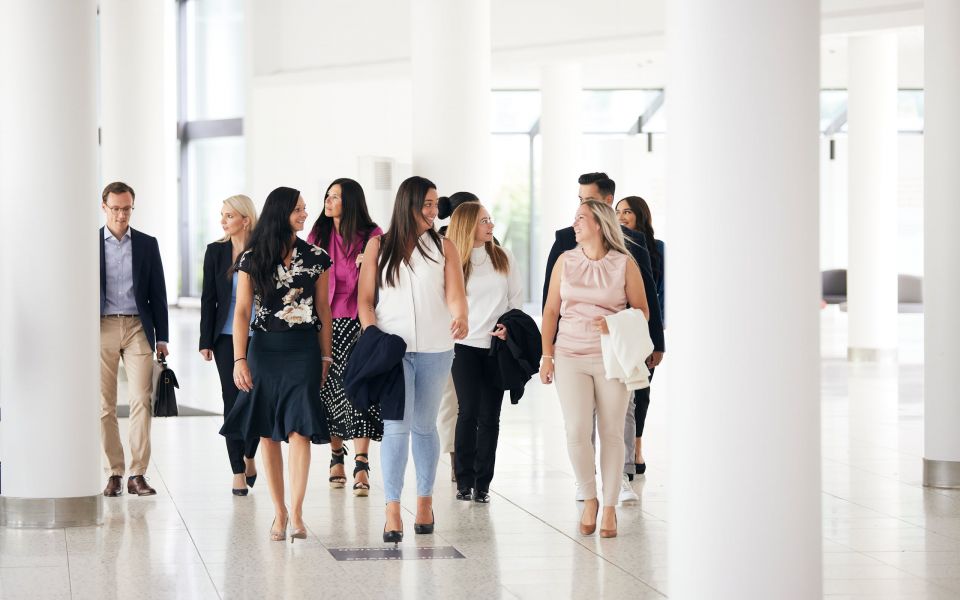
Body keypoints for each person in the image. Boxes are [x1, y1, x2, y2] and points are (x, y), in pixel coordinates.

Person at [357, 176, 468, 543]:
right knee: (396, 427)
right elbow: (365, 301)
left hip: (437, 348)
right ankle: (392, 509)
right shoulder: (379, 246)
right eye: (427, 205)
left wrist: (460, 315)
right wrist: (372, 333)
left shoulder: (444, 247)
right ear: (408, 205)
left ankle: (424, 502)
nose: (434, 211)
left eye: (436, 205)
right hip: (393, 349)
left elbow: (455, 293)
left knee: (424, 425)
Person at [541, 172, 664, 503]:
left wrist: (654, 342)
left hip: (614, 353)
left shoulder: (629, 251)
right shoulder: (565, 245)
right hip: (570, 352)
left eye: (586, 201)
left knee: (618, 421)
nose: (579, 208)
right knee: (578, 426)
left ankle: (617, 483)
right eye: (579, 200)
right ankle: (587, 485)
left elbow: (647, 300)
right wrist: (547, 352)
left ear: (603, 206)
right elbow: (550, 304)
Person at [219, 187, 333, 543]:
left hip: (303, 351)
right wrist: (239, 358)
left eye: (304, 208)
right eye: (298, 209)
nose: (304, 214)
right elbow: (241, 313)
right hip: (264, 350)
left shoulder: (317, 257)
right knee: (268, 433)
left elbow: (325, 312)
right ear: (280, 212)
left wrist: (326, 355)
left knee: (300, 430)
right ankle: (279, 511)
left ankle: (297, 513)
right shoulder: (252, 258)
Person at [307, 178, 383, 497]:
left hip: (361, 321)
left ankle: (362, 463)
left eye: (335, 197)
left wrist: (372, 264)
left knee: (360, 389)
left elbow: (388, 272)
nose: (328, 201)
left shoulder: (372, 235)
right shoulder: (318, 235)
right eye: (327, 195)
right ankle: (337, 454)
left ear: (350, 201)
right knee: (331, 390)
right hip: (326, 323)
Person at [446, 202, 523, 503]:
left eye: (491, 219)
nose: (490, 225)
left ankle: (483, 484)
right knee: (468, 412)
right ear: (467, 226)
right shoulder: (453, 261)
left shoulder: (503, 257)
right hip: (462, 346)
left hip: (496, 346)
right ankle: (463, 480)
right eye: (483, 221)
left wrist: (508, 327)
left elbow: (515, 300)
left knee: (491, 415)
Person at [99, 181, 170, 498]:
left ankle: (137, 473)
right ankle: (114, 471)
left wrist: (163, 337)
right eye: (115, 209)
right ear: (104, 207)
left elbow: (159, 293)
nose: (121, 214)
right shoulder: (90, 244)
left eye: (126, 209)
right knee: (105, 404)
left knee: (142, 399)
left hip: (139, 327)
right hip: (102, 327)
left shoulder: (146, 244)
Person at [199, 194, 260, 496]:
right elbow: (208, 298)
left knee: (256, 400)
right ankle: (237, 468)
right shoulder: (215, 251)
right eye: (222, 215)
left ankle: (250, 453)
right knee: (232, 399)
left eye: (229, 216)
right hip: (225, 337)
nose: (222, 221)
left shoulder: (264, 251)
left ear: (245, 219)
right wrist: (205, 340)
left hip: (260, 336)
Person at [616, 196, 665, 477]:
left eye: (628, 213)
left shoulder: (656, 248)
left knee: (642, 392)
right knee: (623, 395)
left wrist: (658, 339)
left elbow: (661, 295)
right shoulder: (616, 245)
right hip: (620, 327)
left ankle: (636, 446)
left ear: (640, 216)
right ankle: (621, 453)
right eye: (618, 212)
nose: (622, 217)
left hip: (645, 327)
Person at [436, 190, 481, 481]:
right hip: (449, 330)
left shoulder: (489, 244)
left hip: (480, 332)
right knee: (451, 399)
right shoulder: (439, 243)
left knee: (471, 400)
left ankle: (468, 455)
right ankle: (456, 459)